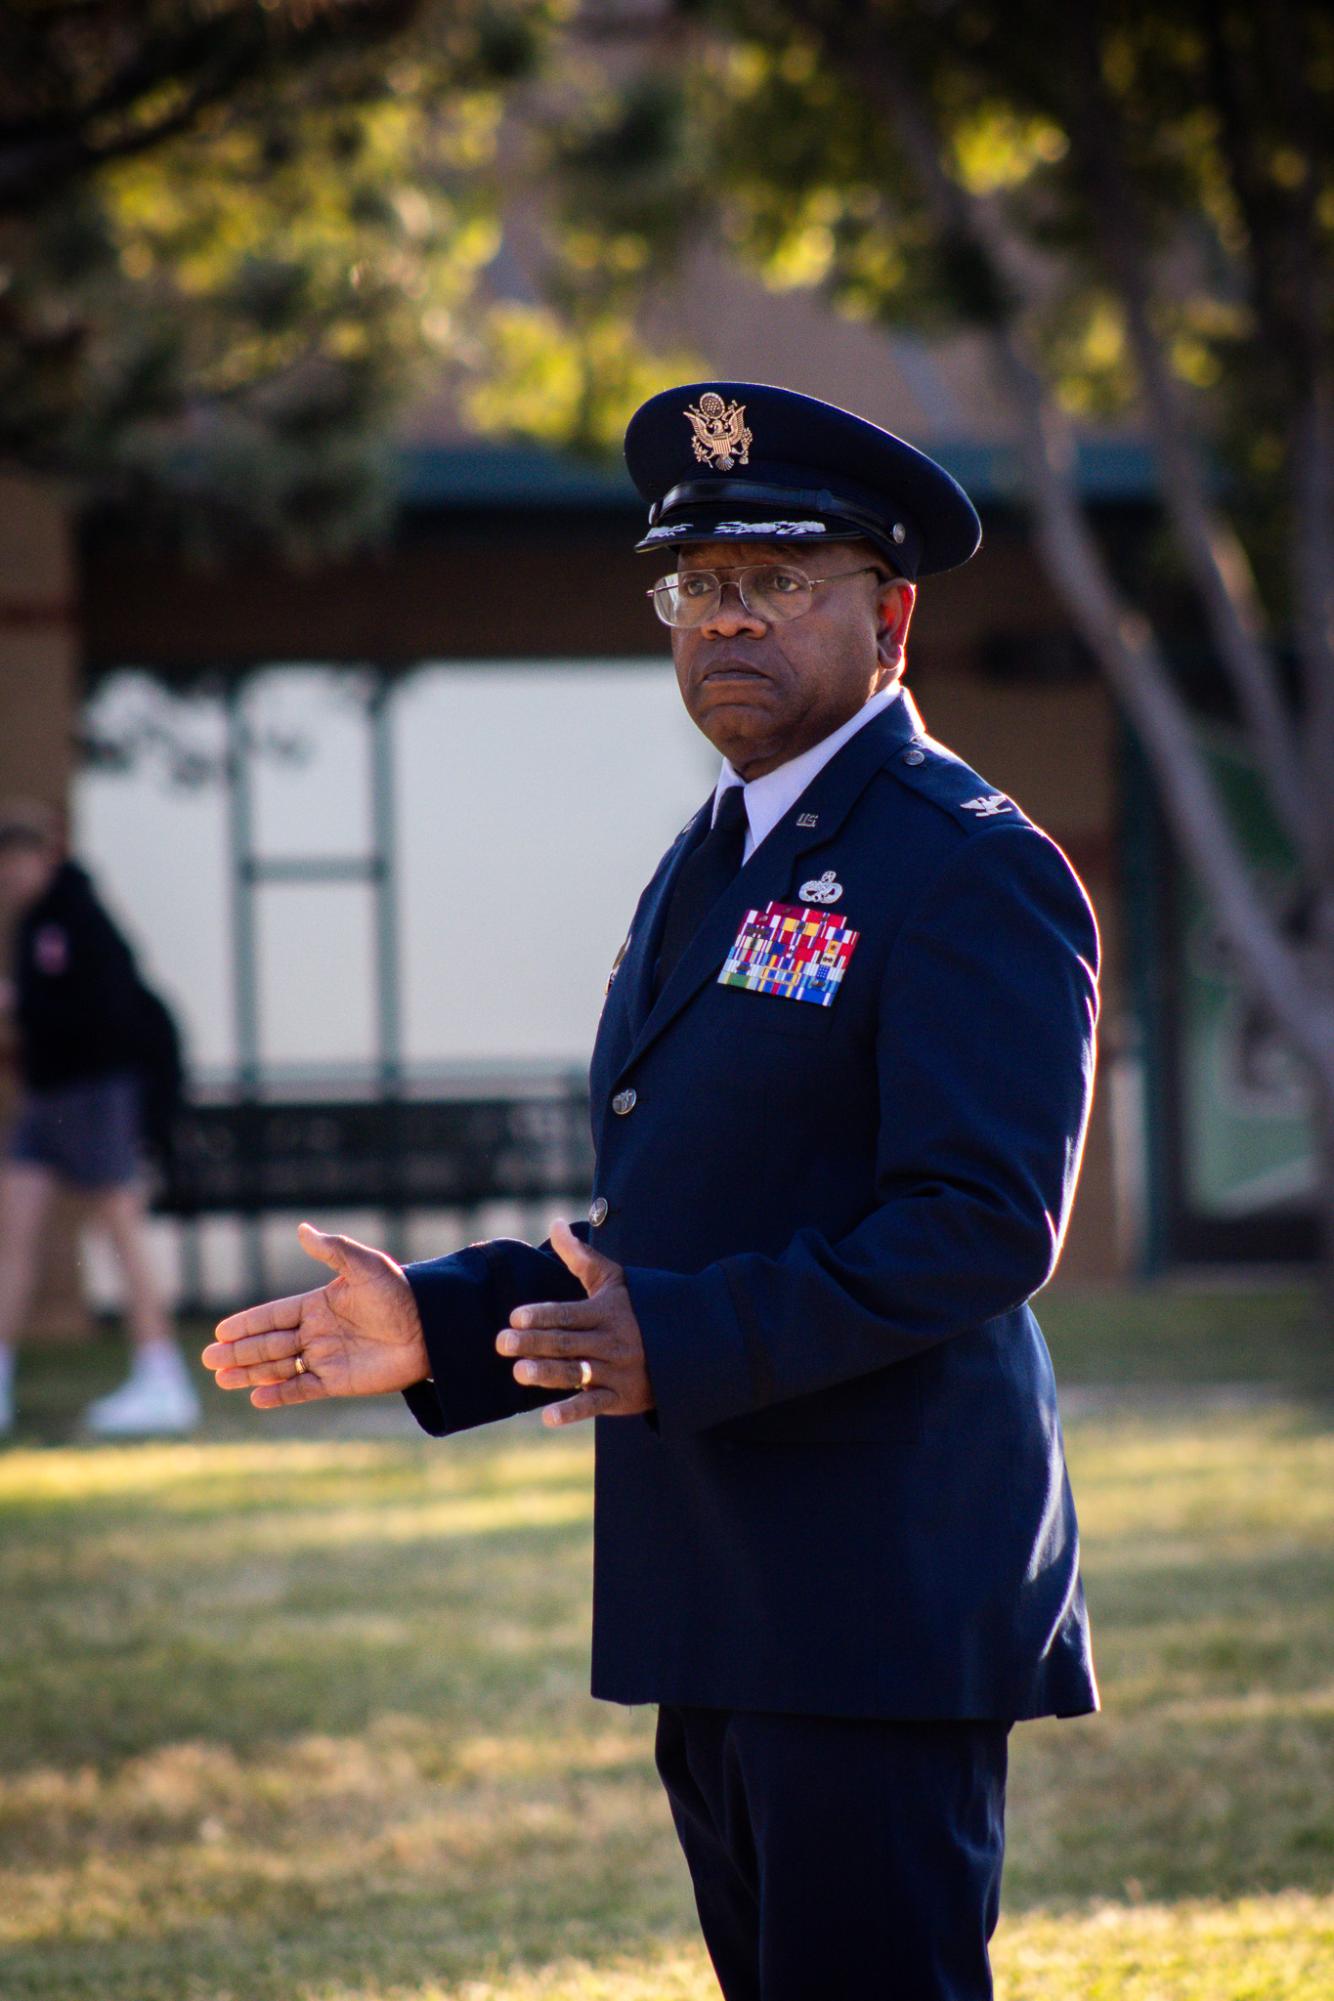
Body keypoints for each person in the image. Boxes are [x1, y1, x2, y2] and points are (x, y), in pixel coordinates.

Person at [203, 381, 1101, 2000]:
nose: (725, 620)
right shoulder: (713, 857)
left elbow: (977, 1223)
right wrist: (443, 1327)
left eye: (777, 581)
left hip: (876, 1581)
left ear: (888, 618)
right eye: (698, 587)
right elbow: (693, 1210)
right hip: (725, 1573)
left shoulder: (964, 860)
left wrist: (676, 1341)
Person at [0, 805, 199, 1436]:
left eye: (13, 863)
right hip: (48, 1101)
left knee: (120, 1233)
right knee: (13, 1233)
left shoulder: (78, 917)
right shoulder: (33, 925)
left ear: (41, 857)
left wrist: (24, 1008)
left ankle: (162, 1375)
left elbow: (107, 1017)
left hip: (95, 1098)